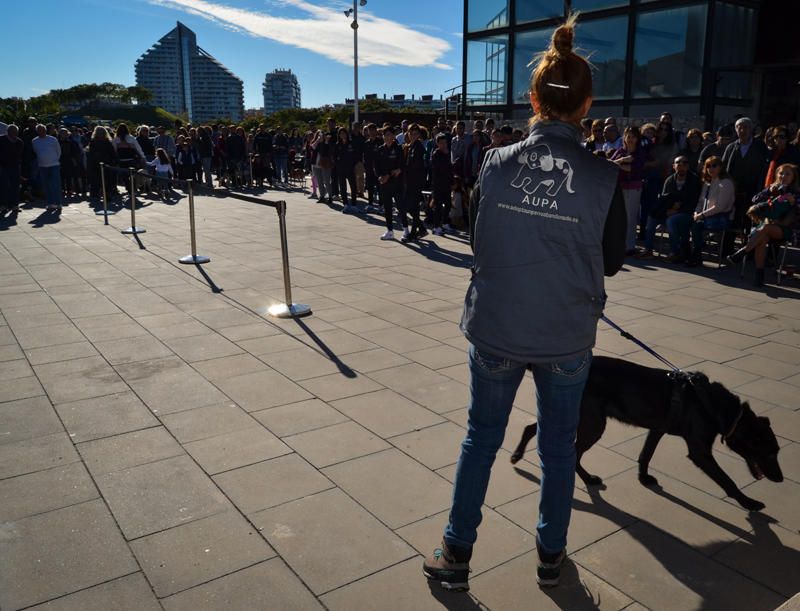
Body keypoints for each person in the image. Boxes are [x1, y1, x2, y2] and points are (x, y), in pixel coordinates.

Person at [423, 14, 626, 592]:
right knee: (558, 449)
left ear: (533, 100)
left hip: (497, 325)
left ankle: (456, 553)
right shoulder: (603, 176)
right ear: (586, 107)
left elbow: (477, 238)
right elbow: (612, 258)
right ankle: (550, 557)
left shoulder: (495, 162)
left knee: (481, 437)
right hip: (564, 333)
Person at [727, 163, 799, 286]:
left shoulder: (796, 192)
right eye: (781, 173)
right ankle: (759, 274)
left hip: (785, 228)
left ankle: (744, 251)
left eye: (787, 174)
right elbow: (754, 200)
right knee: (762, 237)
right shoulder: (772, 188)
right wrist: (768, 191)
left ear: (793, 177)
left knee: (763, 230)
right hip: (766, 226)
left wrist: (794, 202)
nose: (783, 176)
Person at [640, 155, 701, 261]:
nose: (681, 166)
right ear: (674, 166)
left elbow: (694, 201)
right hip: (669, 211)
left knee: (671, 221)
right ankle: (648, 249)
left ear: (688, 166)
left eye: (684, 163)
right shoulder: (670, 180)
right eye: (678, 163)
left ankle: (675, 252)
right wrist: (668, 210)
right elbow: (664, 199)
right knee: (651, 218)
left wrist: (676, 210)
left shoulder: (694, 180)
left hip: (687, 213)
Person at [686, 156, 736, 267]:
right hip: (706, 216)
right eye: (708, 166)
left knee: (696, 225)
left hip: (721, 218)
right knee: (686, 222)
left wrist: (701, 215)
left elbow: (720, 207)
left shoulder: (725, 183)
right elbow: (700, 202)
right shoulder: (707, 183)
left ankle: (696, 255)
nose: (710, 168)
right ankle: (687, 253)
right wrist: (696, 213)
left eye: (714, 165)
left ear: (721, 167)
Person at [722, 117, 769, 232]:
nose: (742, 130)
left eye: (746, 127)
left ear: (751, 129)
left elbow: (765, 167)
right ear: (736, 130)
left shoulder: (760, 146)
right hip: (734, 188)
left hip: (753, 188)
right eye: (739, 128)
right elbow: (724, 166)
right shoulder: (731, 147)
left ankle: (749, 244)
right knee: (733, 220)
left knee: (750, 218)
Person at [610, 126, 645, 254]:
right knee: (620, 217)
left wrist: (619, 165)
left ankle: (629, 246)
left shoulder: (640, 152)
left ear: (637, 139)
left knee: (630, 218)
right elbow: (610, 164)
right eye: (628, 136)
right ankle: (619, 244)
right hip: (620, 187)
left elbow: (634, 169)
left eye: (633, 136)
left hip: (633, 188)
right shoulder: (620, 151)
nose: (630, 139)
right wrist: (623, 160)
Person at [374, 125, 403, 240]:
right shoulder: (381, 149)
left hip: (396, 182)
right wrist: (380, 176)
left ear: (393, 136)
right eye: (385, 135)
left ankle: (406, 229)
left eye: (389, 135)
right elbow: (376, 165)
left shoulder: (398, 148)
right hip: (384, 183)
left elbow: (401, 166)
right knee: (387, 207)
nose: (387, 137)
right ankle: (390, 230)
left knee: (401, 206)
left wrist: (389, 175)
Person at [402, 123, 428, 242]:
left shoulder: (419, 147)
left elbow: (417, 167)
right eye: (411, 133)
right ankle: (421, 228)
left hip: (415, 182)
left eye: (415, 134)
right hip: (409, 181)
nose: (413, 135)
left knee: (411, 207)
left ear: (419, 135)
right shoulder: (410, 146)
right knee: (411, 208)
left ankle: (414, 232)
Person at [31, 124, 62, 211]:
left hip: (54, 165)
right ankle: (50, 203)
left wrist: (54, 160)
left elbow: (58, 151)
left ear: (45, 130)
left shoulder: (53, 139)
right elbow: (36, 151)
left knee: (55, 184)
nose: (41, 132)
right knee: (46, 185)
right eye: (39, 130)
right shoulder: (34, 141)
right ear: (37, 131)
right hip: (42, 166)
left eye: (43, 130)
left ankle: (58, 203)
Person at [430, 133, 453, 235]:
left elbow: (450, 169)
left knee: (448, 204)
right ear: (437, 144)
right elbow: (441, 169)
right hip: (438, 184)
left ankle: (444, 223)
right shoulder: (436, 154)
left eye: (445, 142)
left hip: (447, 183)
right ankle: (436, 227)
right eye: (441, 143)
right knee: (438, 206)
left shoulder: (448, 153)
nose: (444, 145)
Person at [86, 126, 116, 202]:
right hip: (100, 164)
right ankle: (103, 195)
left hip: (102, 164)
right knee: (101, 180)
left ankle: (102, 195)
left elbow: (112, 153)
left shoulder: (98, 142)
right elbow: (112, 153)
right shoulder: (101, 142)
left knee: (103, 181)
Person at [0, 124, 24, 214]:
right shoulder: (1, 140)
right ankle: (3, 205)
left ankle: (14, 205)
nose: (14, 133)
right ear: (8, 132)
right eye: (12, 131)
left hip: (15, 167)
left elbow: (20, 156)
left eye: (16, 132)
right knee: (4, 186)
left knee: (15, 186)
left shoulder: (19, 142)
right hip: (3, 166)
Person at [333, 127, 358, 213]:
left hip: (350, 169)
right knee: (343, 187)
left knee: (353, 187)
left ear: (347, 134)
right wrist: (338, 165)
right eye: (341, 133)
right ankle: (346, 204)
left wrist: (353, 165)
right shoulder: (337, 145)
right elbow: (334, 157)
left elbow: (355, 155)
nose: (343, 135)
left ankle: (354, 204)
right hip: (341, 169)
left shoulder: (352, 143)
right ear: (339, 135)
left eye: (344, 133)